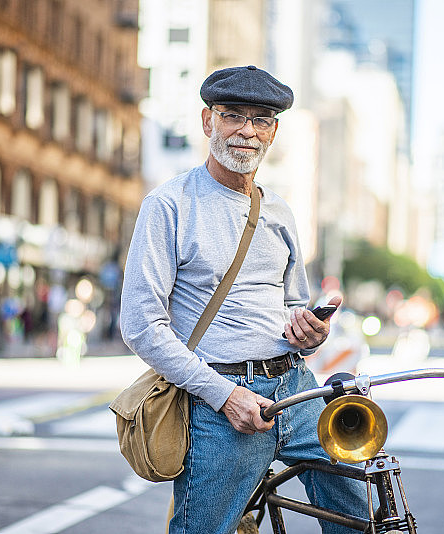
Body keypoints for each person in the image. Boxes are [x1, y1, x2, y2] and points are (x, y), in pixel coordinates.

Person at [119, 66, 369, 534]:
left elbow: (294, 305)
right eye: (233, 115)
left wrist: (310, 331)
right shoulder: (169, 204)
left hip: (295, 389)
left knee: (360, 515)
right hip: (220, 402)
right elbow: (140, 325)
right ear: (207, 120)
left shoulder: (278, 210)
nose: (247, 130)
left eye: (261, 119)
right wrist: (225, 395)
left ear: (274, 132)